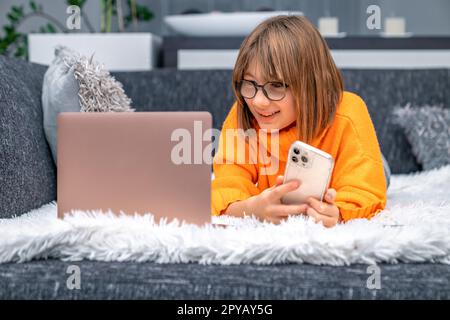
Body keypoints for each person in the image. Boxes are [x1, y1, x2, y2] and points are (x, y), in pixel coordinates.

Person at [211, 15, 387, 227]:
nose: (258, 101)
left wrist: (338, 213)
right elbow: (226, 187)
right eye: (249, 83)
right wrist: (252, 209)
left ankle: (382, 163)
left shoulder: (348, 112)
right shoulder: (242, 114)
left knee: (381, 175)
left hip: (354, 163)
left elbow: (365, 192)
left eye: (276, 85)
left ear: (311, 84)